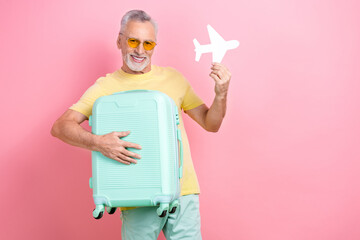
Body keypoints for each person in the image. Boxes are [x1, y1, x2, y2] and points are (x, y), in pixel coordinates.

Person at [51, 9, 231, 240]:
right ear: (119, 41)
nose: (140, 50)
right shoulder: (105, 87)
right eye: (133, 41)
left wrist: (221, 93)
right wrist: (98, 142)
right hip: (137, 194)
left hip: (183, 192)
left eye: (148, 44)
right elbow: (60, 126)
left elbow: (211, 123)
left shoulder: (174, 79)